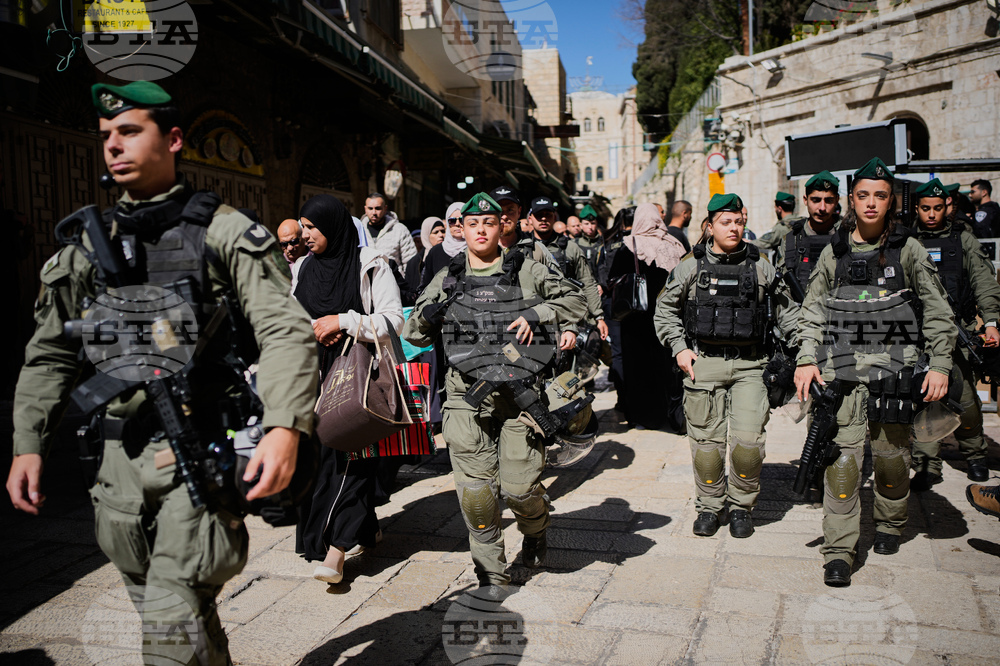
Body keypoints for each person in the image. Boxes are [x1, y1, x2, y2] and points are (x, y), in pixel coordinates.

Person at [5, 81, 318, 665]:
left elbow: (284, 331)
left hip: (195, 455)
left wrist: (285, 424)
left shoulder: (223, 233)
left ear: (173, 139)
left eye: (129, 131)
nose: (113, 147)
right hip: (114, 465)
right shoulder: (82, 250)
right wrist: (28, 444)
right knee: (169, 612)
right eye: (105, 137)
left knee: (170, 630)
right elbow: (49, 353)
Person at [403, 193, 586, 596]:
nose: (482, 230)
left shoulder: (528, 269)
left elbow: (576, 300)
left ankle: (535, 531)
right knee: (477, 496)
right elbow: (412, 332)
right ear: (462, 229)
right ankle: (491, 573)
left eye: (489, 222)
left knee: (521, 490)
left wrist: (537, 313)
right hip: (465, 398)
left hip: (519, 399)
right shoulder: (448, 276)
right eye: (473, 224)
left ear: (501, 226)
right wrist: (428, 315)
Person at [793, 158, 956, 587]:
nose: (870, 203)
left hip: (895, 370)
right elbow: (812, 310)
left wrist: (939, 364)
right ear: (852, 200)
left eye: (879, 195)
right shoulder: (836, 251)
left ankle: (889, 522)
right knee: (842, 463)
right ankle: (839, 552)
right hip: (841, 371)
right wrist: (806, 359)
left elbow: (939, 312)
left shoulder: (909, 250)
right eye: (863, 195)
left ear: (891, 201)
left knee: (890, 460)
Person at [654, 193, 798, 541]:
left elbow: (789, 312)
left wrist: (804, 354)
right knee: (706, 446)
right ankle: (709, 506)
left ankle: (740, 507)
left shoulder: (761, 266)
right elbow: (665, 311)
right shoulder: (691, 266)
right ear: (710, 225)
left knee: (748, 445)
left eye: (739, 221)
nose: (734, 228)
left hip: (751, 366)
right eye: (726, 222)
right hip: (704, 365)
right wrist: (679, 349)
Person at [291, 194, 405, 585]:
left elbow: (393, 321)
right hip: (313, 379)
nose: (304, 235)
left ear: (334, 227)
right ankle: (364, 527)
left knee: (352, 459)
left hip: (356, 379)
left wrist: (343, 320)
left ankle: (338, 550)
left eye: (311, 227)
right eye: (302, 227)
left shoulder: (370, 264)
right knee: (321, 460)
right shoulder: (304, 268)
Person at [910, 178, 999, 488]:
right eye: (925, 208)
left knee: (964, 398)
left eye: (938, 208)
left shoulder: (964, 239)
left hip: (957, 331)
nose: (932, 214)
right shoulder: (907, 242)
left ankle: (975, 455)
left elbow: (984, 283)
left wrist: (990, 322)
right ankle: (926, 464)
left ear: (947, 207)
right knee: (924, 398)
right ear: (917, 208)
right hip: (918, 334)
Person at [607, 204, 686, 431]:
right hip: (668, 318)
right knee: (666, 366)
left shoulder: (628, 246)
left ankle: (640, 417)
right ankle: (669, 415)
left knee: (637, 368)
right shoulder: (674, 245)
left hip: (635, 317)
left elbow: (613, 279)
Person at [530, 197, 607, 340]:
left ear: (554, 217)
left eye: (548, 215)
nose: (543, 219)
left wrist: (598, 316)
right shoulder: (522, 248)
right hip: (531, 320)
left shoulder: (570, 248)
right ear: (530, 219)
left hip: (565, 320)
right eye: (539, 215)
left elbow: (587, 282)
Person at [774, 172, 842, 301]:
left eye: (829, 200)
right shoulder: (791, 241)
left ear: (837, 200)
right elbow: (784, 295)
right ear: (805, 200)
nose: (822, 208)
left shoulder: (850, 235)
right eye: (816, 200)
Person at [361, 192, 417, 273]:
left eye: (378, 208)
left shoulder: (399, 229)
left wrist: (403, 283)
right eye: (370, 208)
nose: (374, 213)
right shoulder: (359, 230)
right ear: (365, 209)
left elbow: (410, 261)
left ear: (385, 208)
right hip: (366, 283)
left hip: (394, 282)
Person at [421, 201, 466, 289]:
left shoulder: (475, 249)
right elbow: (426, 285)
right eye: (452, 221)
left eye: (462, 220)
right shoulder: (435, 252)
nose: (457, 224)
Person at [405, 216, 445, 295]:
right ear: (426, 235)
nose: (441, 235)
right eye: (436, 232)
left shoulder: (450, 256)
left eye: (443, 231)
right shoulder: (414, 263)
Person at [574, 204, 604, 279]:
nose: (590, 227)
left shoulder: (603, 243)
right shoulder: (574, 243)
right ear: (580, 225)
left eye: (593, 223)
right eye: (586, 224)